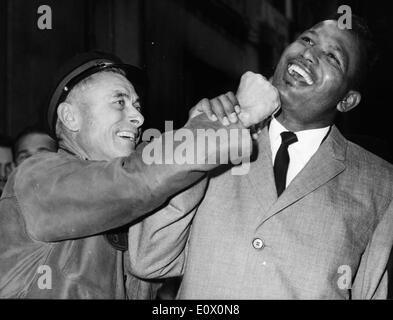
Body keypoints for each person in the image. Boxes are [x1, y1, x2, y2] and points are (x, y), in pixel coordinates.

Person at [128, 15, 393, 299]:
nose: (308, 54)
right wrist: (204, 136)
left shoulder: (381, 183)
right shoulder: (217, 133)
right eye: (306, 40)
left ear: (347, 100)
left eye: (331, 56)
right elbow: (148, 259)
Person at [0, 51, 278, 299]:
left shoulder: (133, 200)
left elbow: (154, 184)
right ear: (71, 117)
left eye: (137, 106)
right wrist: (232, 121)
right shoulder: (36, 177)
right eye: (119, 102)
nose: (139, 118)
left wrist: (199, 128)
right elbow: (135, 180)